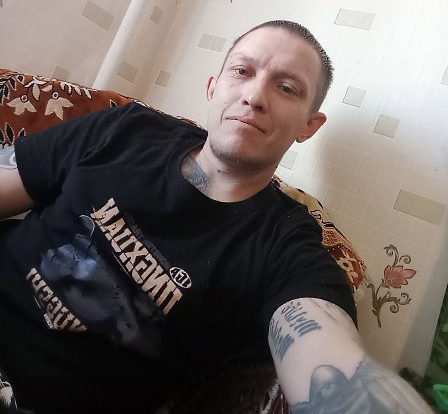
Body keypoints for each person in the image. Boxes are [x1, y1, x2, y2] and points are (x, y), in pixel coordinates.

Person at [0, 20, 431, 413]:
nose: (254, 97)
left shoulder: (287, 249)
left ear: (309, 126)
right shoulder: (124, 128)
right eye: (242, 71)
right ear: (212, 87)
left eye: (287, 88)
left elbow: (329, 356)